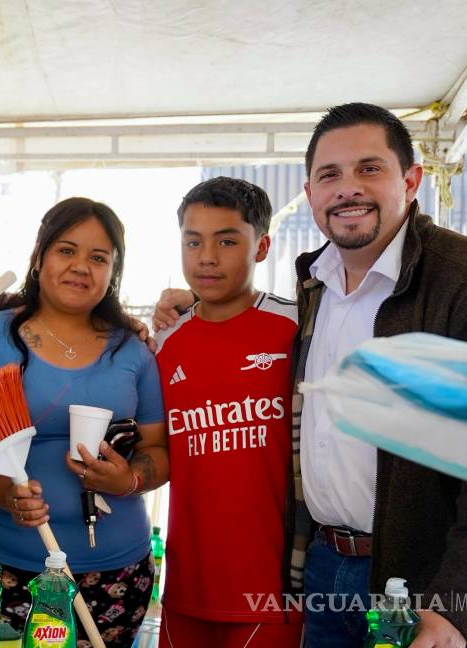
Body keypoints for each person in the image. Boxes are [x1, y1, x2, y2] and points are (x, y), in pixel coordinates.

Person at [156, 103, 467, 647]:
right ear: (312, 193)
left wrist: (456, 611)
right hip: (323, 568)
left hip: (425, 591)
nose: (348, 189)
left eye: (369, 169)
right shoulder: (314, 289)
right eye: (329, 175)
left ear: (410, 180)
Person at [0, 197, 168, 646]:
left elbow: (159, 452)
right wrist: (8, 495)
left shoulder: (133, 352)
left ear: (113, 272)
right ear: (40, 256)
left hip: (116, 571)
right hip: (3, 565)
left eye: (98, 257)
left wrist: (128, 478)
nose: (80, 266)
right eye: (67, 250)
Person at [153, 177, 302, 647]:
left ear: (261, 248)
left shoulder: (297, 327)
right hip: (185, 588)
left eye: (227, 241)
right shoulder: (164, 341)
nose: (207, 257)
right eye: (193, 241)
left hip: (273, 595)